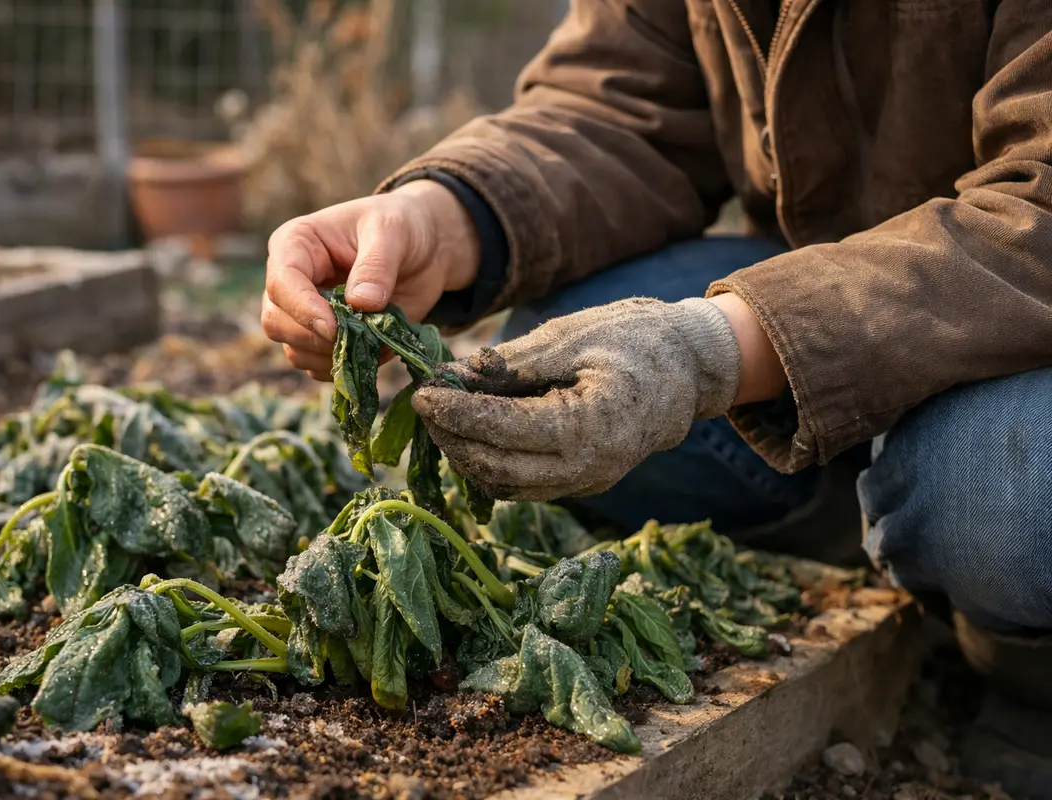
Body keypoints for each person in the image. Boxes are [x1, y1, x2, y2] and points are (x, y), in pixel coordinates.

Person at [261, 2, 1052, 794]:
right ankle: (859, 501)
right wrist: (443, 212)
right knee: (553, 347)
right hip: (837, 287)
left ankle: (1025, 662)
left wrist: (706, 353)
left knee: (998, 482)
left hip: (1021, 302)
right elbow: (618, 104)